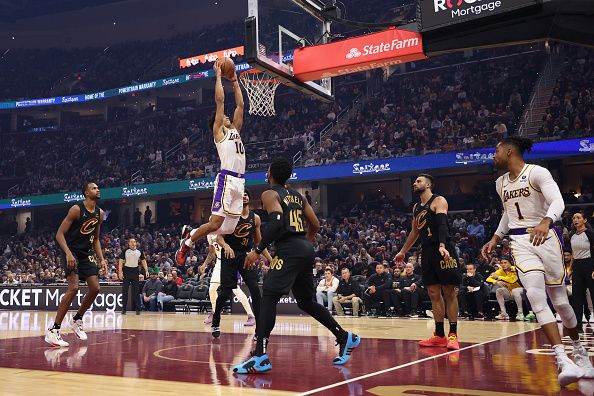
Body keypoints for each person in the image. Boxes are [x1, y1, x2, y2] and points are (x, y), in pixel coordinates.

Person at [481, 137, 594, 387]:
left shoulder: (537, 173)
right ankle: (562, 359)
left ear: (510, 151)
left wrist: (546, 220)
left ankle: (580, 352)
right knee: (534, 294)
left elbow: (558, 202)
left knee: (561, 302)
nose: (493, 155)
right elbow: (507, 214)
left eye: (496, 150)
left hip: (547, 237)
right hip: (520, 241)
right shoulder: (500, 183)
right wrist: (496, 236)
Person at [235, 157, 360, 374]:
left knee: (269, 298)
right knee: (305, 301)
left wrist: (257, 251)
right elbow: (316, 224)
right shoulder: (298, 196)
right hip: (304, 248)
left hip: (290, 249)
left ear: (270, 173)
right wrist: (304, 245)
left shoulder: (269, 193)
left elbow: (275, 222)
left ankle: (260, 356)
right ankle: (343, 336)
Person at [176, 58, 245, 265]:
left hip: (240, 182)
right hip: (227, 179)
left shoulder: (235, 130)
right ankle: (187, 242)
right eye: (222, 117)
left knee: (227, 228)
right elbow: (220, 103)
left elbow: (240, 105)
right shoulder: (219, 133)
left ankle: (193, 232)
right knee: (215, 223)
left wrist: (234, 81)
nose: (226, 117)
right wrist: (217, 76)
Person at [396, 174, 462, 350]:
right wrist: (403, 251)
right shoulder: (416, 207)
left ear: (429, 184)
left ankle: (453, 334)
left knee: (449, 291)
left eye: (419, 181)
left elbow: (442, 224)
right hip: (427, 251)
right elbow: (414, 232)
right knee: (433, 292)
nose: (415, 183)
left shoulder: (438, 200)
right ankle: (439, 335)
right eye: (415, 181)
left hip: (443, 247)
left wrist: (442, 245)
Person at [45, 182, 107, 347]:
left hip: (86, 253)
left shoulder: (99, 214)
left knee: (95, 288)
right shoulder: (76, 209)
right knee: (73, 288)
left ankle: (77, 319)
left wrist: (101, 259)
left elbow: (96, 240)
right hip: (70, 251)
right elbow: (59, 234)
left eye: (97, 188)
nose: (97, 189)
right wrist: (68, 254)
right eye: (94, 188)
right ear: (86, 193)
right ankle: (53, 330)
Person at [210, 190, 273, 337]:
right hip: (229, 256)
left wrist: (271, 260)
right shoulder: (231, 217)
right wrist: (226, 246)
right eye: (242, 194)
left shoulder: (255, 218)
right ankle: (216, 319)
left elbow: (259, 243)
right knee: (225, 293)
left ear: (249, 198)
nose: (244, 196)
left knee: (255, 290)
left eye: (246, 194)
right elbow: (219, 238)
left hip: (245, 256)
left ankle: (260, 329)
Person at [202, 232, 258, 327]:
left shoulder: (226, 230)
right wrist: (204, 264)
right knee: (212, 289)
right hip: (219, 262)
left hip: (230, 261)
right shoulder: (209, 235)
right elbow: (211, 253)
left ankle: (251, 315)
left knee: (236, 290)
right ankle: (215, 312)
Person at [569, 212, 594, 332]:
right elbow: (573, 254)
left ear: (584, 220)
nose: (575, 220)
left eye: (578, 218)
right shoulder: (572, 235)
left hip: (589, 265)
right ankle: (578, 326)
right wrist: (571, 268)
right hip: (577, 267)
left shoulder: (590, 233)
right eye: (574, 218)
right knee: (577, 297)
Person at [486, 256, 524, 321]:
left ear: (510, 263)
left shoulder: (515, 269)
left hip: (522, 292)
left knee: (515, 291)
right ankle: (504, 313)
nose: (503, 264)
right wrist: (496, 281)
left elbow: (512, 280)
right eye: (502, 263)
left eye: (505, 262)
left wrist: (499, 278)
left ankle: (520, 313)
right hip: (510, 292)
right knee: (499, 290)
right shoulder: (500, 271)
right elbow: (488, 279)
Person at [118, 238, 147, 315]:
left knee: (136, 291)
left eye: (134, 242)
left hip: (135, 271)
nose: (133, 243)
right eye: (131, 242)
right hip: (126, 271)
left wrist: (146, 270)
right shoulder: (125, 251)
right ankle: (124, 309)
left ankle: (138, 309)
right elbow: (120, 261)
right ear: (129, 243)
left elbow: (143, 261)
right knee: (125, 291)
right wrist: (120, 272)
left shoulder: (139, 251)